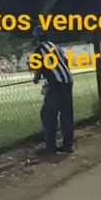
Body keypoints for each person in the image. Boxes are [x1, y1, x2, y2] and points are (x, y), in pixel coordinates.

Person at [30, 25, 74, 155]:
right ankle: (67, 144)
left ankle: (50, 146)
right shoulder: (55, 46)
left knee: (48, 115)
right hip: (67, 81)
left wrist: (36, 79)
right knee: (66, 114)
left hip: (56, 84)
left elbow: (37, 68)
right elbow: (65, 61)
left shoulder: (39, 49)